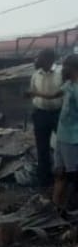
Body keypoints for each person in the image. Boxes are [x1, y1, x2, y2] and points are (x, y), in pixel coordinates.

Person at [28, 48, 62, 187]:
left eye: (39, 57)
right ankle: (44, 179)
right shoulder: (36, 74)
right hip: (40, 114)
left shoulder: (61, 72)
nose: (37, 60)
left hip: (58, 114)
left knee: (64, 146)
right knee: (42, 147)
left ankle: (65, 177)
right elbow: (33, 91)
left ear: (48, 59)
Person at [53, 54, 78, 210]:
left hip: (73, 139)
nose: (62, 69)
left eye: (65, 66)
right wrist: (38, 94)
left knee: (73, 175)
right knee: (60, 173)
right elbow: (56, 94)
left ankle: (71, 206)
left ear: (73, 68)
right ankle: (56, 206)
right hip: (62, 137)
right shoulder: (68, 85)